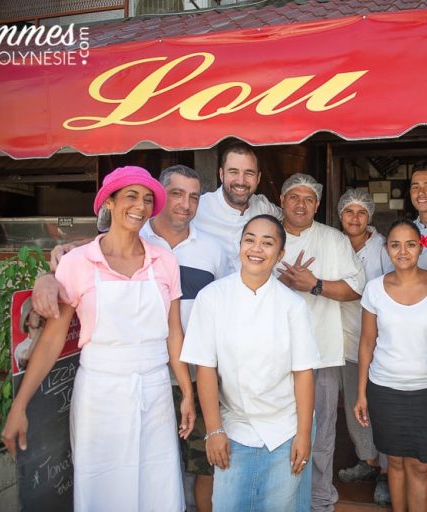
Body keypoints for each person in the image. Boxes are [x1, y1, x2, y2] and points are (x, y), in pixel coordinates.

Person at [31, 164, 226, 512]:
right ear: (110, 201)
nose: (185, 204)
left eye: (194, 197)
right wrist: (46, 277)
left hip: (171, 378)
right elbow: (77, 264)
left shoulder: (199, 252)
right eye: (176, 194)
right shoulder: (113, 241)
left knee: (165, 476)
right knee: (107, 484)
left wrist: (189, 389)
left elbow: (181, 328)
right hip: (104, 389)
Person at [180, 214, 320, 512]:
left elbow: (304, 374)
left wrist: (304, 435)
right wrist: (214, 431)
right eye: (250, 240)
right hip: (235, 425)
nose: (256, 248)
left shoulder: (292, 305)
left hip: (285, 427)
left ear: (280, 254)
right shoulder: (212, 298)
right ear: (240, 245)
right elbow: (205, 368)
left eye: (267, 243)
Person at [274, 173, 365, 512]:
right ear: (281, 201)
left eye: (309, 199)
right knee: (278, 430)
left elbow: (357, 288)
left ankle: (319, 499)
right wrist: (279, 285)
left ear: (317, 205)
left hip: (321, 354)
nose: (301, 204)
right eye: (294, 197)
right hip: (274, 355)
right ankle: (284, 499)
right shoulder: (267, 235)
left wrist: (314, 285)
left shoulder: (333, 239)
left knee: (322, 433)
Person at [355, 220, 427, 512]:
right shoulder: (374, 289)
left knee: (423, 465)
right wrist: (361, 393)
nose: (403, 251)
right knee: (394, 461)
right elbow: (367, 343)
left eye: (410, 244)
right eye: (395, 245)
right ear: (386, 249)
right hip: (385, 389)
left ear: (421, 247)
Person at [335, 189, 390, 505]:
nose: (354, 218)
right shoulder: (335, 244)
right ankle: (368, 461)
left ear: (369, 216)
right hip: (345, 341)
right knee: (355, 408)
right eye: (348, 212)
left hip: (379, 344)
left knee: (380, 408)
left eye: (361, 212)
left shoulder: (381, 247)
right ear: (340, 215)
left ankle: (386, 471)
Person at [193, 141, 282, 272]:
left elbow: (288, 220)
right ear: (221, 174)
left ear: (258, 178)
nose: (241, 181)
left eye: (249, 173)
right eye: (233, 172)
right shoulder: (198, 208)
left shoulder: (263, 207)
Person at [13, 297, 44, 372]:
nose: (39, 314)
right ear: (27, 322)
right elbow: (26, 359)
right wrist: (41, 327)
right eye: (35, 311)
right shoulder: (21, 347)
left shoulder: (49, 338)